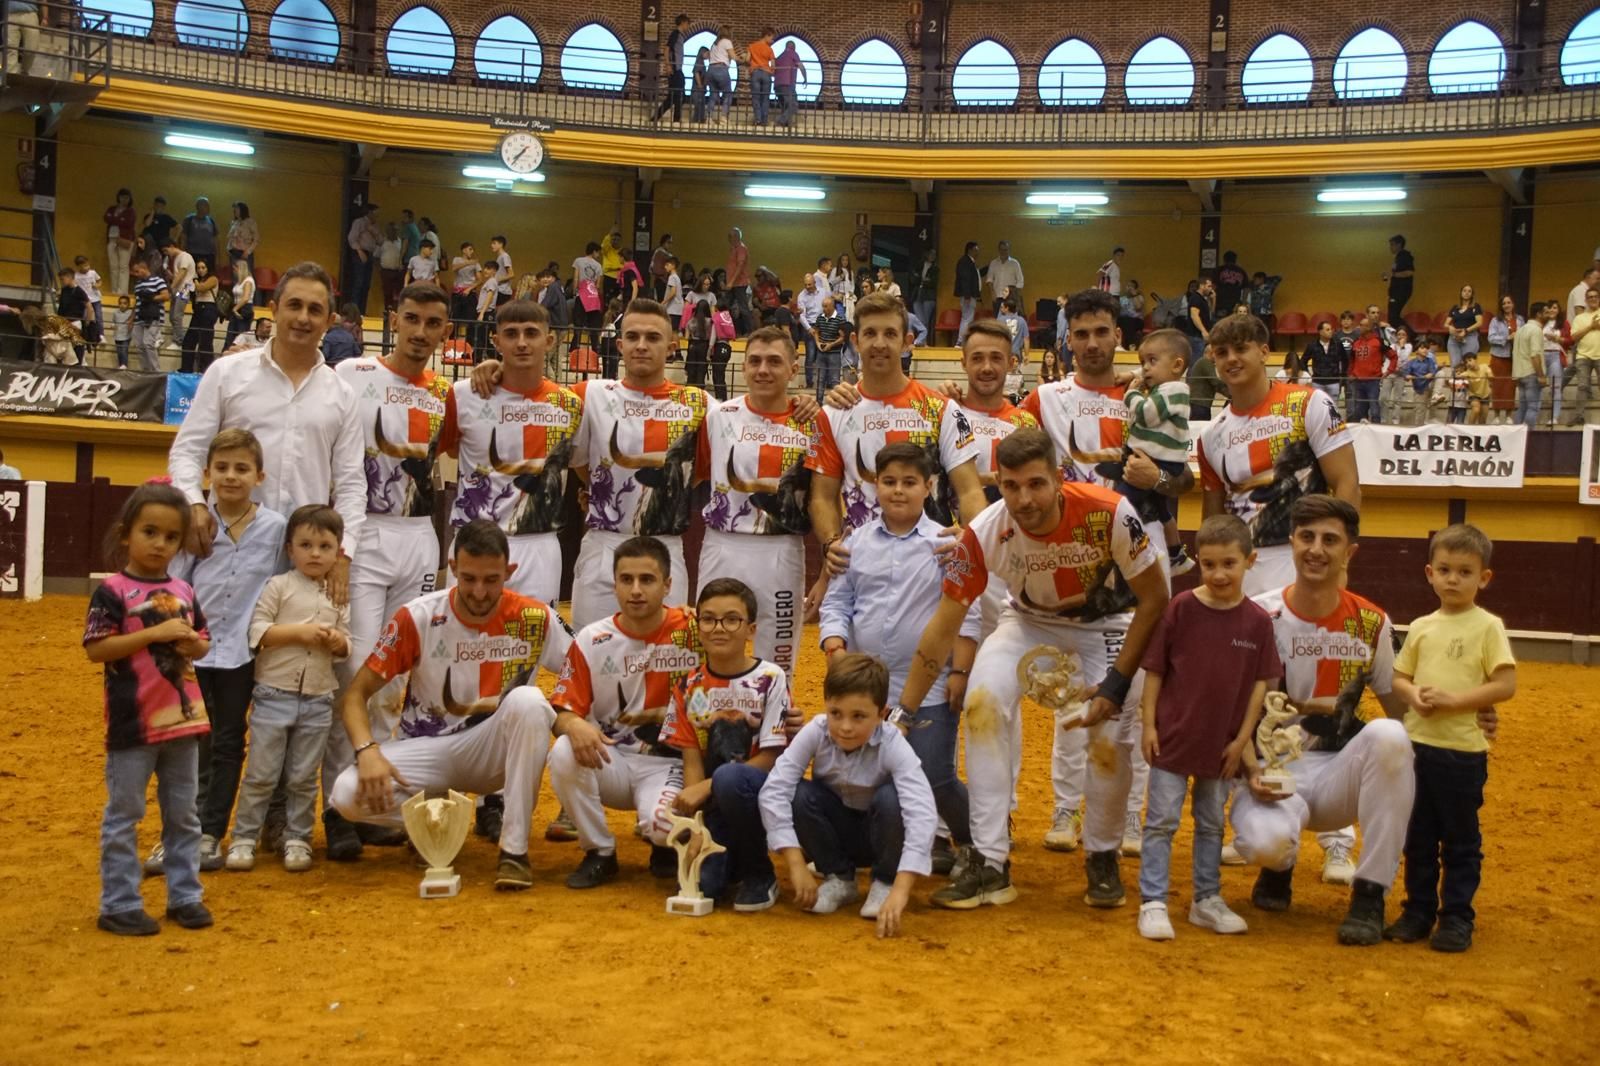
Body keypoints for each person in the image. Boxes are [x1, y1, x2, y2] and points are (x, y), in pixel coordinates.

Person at [898, 428, 1168, 908]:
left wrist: (1117, 682)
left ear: (1060, 478)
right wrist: (904, 711)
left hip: (1107, 622)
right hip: (1027, 621)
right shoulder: (984, 532)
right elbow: (944, 626)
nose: (1024, 499)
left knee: (1107, 735)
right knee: (982, 702)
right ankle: (989, 860)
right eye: (1011, 486)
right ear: (997, 483)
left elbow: (1155, 599)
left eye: (1036, 484)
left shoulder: (1111, 513)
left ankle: (1102, 853)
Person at [328, 519, 568, 891]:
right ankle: (434, 819)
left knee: (531, 701)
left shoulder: (534, 618)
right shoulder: (418, 616)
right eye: (468, 578)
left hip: (492, 750)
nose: (478, 591)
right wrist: (367, 750)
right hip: (427, 748)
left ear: (509, 572)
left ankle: (514, 851)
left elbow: (581, 677)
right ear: (453, 569)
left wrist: (577, 723)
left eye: (491, 579)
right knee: (345, 795)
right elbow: (356, 695)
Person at [1237, 496, 1417, 946]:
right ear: (1292, 541)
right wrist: (1250, 769)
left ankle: (1370, 893)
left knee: (1391, 736)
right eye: (1307, 537)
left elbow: (1401, 706)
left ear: (1349, 552)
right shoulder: (1258, 615)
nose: (1316, 549)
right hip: (1271, 772)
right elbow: (1227, 704)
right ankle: (1277, 869)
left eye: (1330, 540)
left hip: (1339, 773)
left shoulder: (1372, 623)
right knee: (1265, 844)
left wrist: (1463, 718)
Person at [820, 442, 980, 876]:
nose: (898, 491)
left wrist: (960, 671)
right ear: (874, 485)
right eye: (889, 482)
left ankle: (976, 844)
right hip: (864, 690)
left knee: (936, 777)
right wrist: (836, 649)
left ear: (929, 487)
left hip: (927, 684)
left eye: (910, 483)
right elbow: (837, 604)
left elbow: (969, 611)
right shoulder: (855, 543)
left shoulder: (946, 543)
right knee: (868, 775)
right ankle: (882, 847)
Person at [168, 262, 365, 613]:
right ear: (273, 310)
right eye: (294, 305)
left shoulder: (343, 395)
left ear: (329, 321)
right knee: (215, 660)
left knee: (288, 662)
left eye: (315, 309)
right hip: (227, 547)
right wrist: (194, 504)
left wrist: (343, 552)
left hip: (302, 558)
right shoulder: (226, 374)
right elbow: (188, 451)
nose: (303, 317)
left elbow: (351, 485)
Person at [1135, 515, 1280, 941]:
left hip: (1222, 746)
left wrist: (1241, 740)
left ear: (1249, 562)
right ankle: (1154, 900)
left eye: (1229, 564)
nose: (1219, 574)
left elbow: (1260, 685)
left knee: (1212, 822)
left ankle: (1206, 899)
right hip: (1173, 738)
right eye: (1210, 564)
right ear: (1198, 561)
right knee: (1161, 820)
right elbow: (1156, 671)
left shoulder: (1257, 621)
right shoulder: (1181, 608)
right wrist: (1148, 725)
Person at [83, 482, 214, 936]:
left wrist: (191, 643)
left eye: (171, 537)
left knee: (184, 814)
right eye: (150, 532)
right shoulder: (113, 591)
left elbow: (202, 644)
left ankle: (185, 896)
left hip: (183, 721)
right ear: (126, 534)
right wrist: (152, 635)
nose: (160, 544)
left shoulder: (183, 589)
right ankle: (118, 902)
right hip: (132, 724)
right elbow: (97, 650)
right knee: (125, 814)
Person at [805, 292, 987, 614]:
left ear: (906, 342)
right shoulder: (832, 413)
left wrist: (970, 538)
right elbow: (822, 496)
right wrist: (832, 545)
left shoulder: (942, 408)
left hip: (933, 563)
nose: (879, 343)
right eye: (870, 333)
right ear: (854, 341)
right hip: (861, 566)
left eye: (890, 334)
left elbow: (970, 490)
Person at [1386, 524, 1517, 954]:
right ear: (1429, 573)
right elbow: (1399, 677)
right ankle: (1418, 911)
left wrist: (1456, 700)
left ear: (1484, 578)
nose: (1453, 579)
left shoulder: (1488, 627)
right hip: (1417, 747)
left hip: (1463, 753)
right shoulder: (1422, 626)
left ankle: (1457, 917)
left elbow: (1505, 683)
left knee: (1461, 841)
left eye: (1464, 572)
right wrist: (1414, 697)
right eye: (1445, 570)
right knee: (1418, 836)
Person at [547, 536, 702, 888]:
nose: (635, 590)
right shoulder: (591, 639)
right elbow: (561, 709)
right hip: (612, 760)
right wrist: (573, 724)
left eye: (647, 580)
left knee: (667, 830)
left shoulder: (695, 631)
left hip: (669, 765)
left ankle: (659, 841)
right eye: (625, 580)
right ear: (614, 583)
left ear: (668, 585)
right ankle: (599, 851)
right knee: (563, 751)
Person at [170, 429, 286, 873]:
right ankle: (186, 826)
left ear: (259, 476)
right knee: (192, 737)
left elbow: (278, 583)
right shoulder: (197, 522)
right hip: (195, 649)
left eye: (241, 469)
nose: (231, 477)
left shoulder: (275, 527)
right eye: (222, 468)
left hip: (241, 650)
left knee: (227, 739)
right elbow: (180, 582)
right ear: (206, 474)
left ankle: (210, 832)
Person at [758, 653, 936, 936]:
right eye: (835, 713)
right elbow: (775, 789)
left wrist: (901, 889)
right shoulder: (815, 731)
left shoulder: (892, 743)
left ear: (882, 714)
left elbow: (922, 810)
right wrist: (796, 863)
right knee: (798, 794)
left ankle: (884, 882)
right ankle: (839, 878)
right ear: (826, 706)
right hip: (835, 833)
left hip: (880, 836)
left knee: (893, 799)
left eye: (859, 716)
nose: (845, 727)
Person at [222, 505, 350, 874]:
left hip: (318, 700)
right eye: (305, 545)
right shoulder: (278, 586)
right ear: (289, 549)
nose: (314, 553)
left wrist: (337, 642)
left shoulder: (338, 596)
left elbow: (348, 643)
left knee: (303, 777)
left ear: (337, 552)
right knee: (261, 773)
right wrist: (300, 633)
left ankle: (298, 838)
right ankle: (244, 837)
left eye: (324, 546)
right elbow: (258, 632)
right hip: (273, 696)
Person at [1197, 312, 1359, 597]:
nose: (1231, 359)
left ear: (1264, 352)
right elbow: (1213, 520)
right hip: (1242, 567)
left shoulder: (1309, 402)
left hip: (1302, 559)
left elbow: (1347, 482)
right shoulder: (1211, 435)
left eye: (1241, 348)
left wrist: (1340, 564)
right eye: (1222, 353)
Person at [663, 578, 794, 911]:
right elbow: (692, 755)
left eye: (731, 619)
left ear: (750, 629)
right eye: (708, 619)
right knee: (706, 886)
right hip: (715, 802)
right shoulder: (689, 685)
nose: (719, 628)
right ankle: (729, 858)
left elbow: (769, 756)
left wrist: (708, 786)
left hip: (756, 791)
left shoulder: (771, 678)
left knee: (729, 779)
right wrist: (696, 827)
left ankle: (759, 872)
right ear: (699, 626)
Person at [440, 299, 582, 606]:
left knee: (531, 644)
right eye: (511, 333)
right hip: (474, 538)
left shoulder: (569, 404)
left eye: (531, 333)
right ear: (496, 341)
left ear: (550, 339)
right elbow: (450, 450)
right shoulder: (464, 395)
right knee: (465, 643)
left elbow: (582, 462)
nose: (521, 343)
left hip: (539, 543)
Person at [695, 326, 816, 678]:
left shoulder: (813, 422)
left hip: (782, 548)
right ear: (744, 367)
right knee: (712, 644)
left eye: (775, 361)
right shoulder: (718, 417)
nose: (763, 369)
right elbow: (697, 474)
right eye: (755, 361)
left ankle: (772, 731)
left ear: (794, 368)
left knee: (778, 655)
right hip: (723, 544)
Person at [1096, 329, 1194, 575]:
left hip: (1159, 463)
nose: (1145, 369)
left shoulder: (1174, 390)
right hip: (1155, 458)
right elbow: (1156, 368)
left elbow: (1146, 414)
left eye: (1151, 362)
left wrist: (1132, 393)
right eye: (1142, 363)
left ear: (1177, 365)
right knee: (1163, 511)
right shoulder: (1167, 382)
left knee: (1122, 502)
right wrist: (1133, 375)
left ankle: (1113, 546)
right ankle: (1176, 554)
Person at [1346, 312, 1395, 424]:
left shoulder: (1378, 342)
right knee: (1359, 409)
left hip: (1373, 381)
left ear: (1369, 327)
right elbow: (1352, 360)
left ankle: (1377, 429)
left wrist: (1389, 371)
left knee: (1374, 408)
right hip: (1358, 381)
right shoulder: (1356, 343)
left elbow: (1393, 356)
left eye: (1362, 325)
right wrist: (1351, 373)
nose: (1359, 327)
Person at [179, 259, 218, 375]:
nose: (200, 270)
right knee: (188, 341)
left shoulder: (213, 279)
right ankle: (186, 369)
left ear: (208, 268)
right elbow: (183, 293)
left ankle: (205, 370)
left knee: (205, 342)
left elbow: (202, 288)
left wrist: (194, 280)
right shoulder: (195, 282)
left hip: (208, 309)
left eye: (203, 267)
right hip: (198, 310)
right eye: (198, 268)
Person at [129, 260, 169, 373]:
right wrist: (131, 318)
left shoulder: (158, 281)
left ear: (144, 268)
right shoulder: (138, 284)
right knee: (139, 345)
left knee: (148, 343)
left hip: (153, 316)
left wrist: (151, 297)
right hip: (139, 316)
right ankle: (145, 370)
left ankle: (156, 371)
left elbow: (166, 296)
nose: (136, 274)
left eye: (137, 271)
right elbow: (136, 302)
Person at [1486, 295, 1521, 424]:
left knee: (1510, 387)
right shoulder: (1495, 321)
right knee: (1498, 386)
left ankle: (1509, 415)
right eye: (1504, 303)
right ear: (1501, 306)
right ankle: (1496, 415)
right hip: (1499, 357)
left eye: (1509, 302)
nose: (1507, 305)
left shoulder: (1520, 319)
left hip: (1514, 358)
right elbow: (1491, 338)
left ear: (1513, 304)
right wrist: (1507, 338)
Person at [343, 202, 383, 314]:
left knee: (366, 284)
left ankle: (362, 312)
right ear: (370, 213)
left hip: (371, 253)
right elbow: (352, 238)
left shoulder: (375, 226)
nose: (377, 216)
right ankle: (354, 312)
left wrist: (373, 231)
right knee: (358, 283)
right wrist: (360, 251)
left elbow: (381, 241)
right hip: (359, 252)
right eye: (376, 213)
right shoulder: (359, 222)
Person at [1512, 302, 1547, 428]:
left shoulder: (1520, 330)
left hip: (1520, 374)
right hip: (1531, 373)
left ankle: (1516, 438)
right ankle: (1530, 438)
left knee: (1522, 408)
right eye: (1546, 312)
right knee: (1532, 408)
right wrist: (1541, 375)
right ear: (1539, 314)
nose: (1548, 315)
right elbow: (1535, 355)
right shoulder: (1536, 330)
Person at [1569, 284, 1600, 426]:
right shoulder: (1579, 318)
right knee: (1582, 387)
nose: (1593, 299)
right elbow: (1574, 337)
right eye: (1590, 297)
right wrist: (1590, 327)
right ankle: (1578, 416)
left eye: (1595, 297)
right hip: (1583, 356)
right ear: (1586, 300)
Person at [811, 294, 849, 400]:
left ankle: (836, 402)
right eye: (823, 306)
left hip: (834, 352)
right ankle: (819, 402)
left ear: (832, 306)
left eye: (826, 306)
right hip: (821, 351)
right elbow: (816, 331)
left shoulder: (840, 319)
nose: (824, 309)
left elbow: (842, 337)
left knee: (834, 379)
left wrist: (831, 345)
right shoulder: (820, 318)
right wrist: (818, 343)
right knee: (820, 378)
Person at [652, 14, 689, 123]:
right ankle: (676, 120)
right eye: (687, 24)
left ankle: (656, 118)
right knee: (678, 95)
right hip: (675, 69)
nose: (688, 26)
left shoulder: (680, 36)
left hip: (678, 69)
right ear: (682, 23)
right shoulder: (675, 34)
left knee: (673, 97)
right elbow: (667, 49)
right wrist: (668, 65)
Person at [1302, 320, 1348, 406]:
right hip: (1317, 382)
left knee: (1334, 408)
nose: (1331, 331)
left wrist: (1342, 375)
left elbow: (1345, 360)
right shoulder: (1312, 345)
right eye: (1327, 329)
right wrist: (1309, 375)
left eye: (1331, 329)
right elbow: (1303, 361)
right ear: (1320, 332)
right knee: (1318, 407)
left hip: (1334, 381)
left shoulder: (1338, 344)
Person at [572, 241, 605, 352]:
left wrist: (574, 291)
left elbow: (576, 278)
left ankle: (574, 348)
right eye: (598, 253)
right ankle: (596, 348)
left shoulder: (578, 261)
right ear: (594, 251)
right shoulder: (599, 266)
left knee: (578, 323)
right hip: (593, 296)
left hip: (581, 294)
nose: (598, 255)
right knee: (593, 324)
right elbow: (598, 285)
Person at [163, 237, 196, 345]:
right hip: (178, 290)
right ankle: (179, 336)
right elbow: (177, 276)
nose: (166, 254)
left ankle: (179, 340)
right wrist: (169, 274)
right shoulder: (176, 259)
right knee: (172, 315)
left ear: (172, 246)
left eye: (166, 251)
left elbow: (182, 274)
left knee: (177, 315)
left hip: (185, 290)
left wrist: (171, 287)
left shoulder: (185, 256)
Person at [103, 188, 136, 297]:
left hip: (124, 240)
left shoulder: (131, 211)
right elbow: (106, 218)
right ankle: (114, 290)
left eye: (126, 197)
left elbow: (128, 222)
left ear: (129, 199)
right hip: (112, 239)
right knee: (113, 266)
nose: (124, 199)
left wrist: (114, 219)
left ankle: (122, 292)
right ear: (118, 197)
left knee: (123, 266)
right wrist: (119, 219)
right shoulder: (112, 208)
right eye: (122, 197)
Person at [1445, 285, 1483, 370]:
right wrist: (1450, 327)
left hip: (1470, 337)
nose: (1466, 293)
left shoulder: (1475, 307)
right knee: (1455, 365)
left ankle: (1468, 383)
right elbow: (1446, 324)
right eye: (1464, 290)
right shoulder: (1455, 307)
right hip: (1454, 338)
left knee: (1468, 364)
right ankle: (1456, 383)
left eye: (1469, 291)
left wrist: (1466, 331)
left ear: (1472, 294)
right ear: (1461, 293)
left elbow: (1479, 323)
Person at [1542, 302, 1568, 426]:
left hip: (1555, 355)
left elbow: (1570, 340)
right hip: (1541, 356)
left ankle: (1554, 416)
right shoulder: (1541, 322)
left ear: (1559, 310)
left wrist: (1557, 339)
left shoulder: (1563, 323)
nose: (1552, 310)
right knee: (1538, 385)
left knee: (1556, 388)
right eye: (1550, 307)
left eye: (1555, 307)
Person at [180, 198, 218, 275]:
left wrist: (217, 257)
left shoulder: (211, 221)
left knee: (208, 277)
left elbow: (215, 239)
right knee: (193, 276)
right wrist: (182, 254)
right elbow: (183, 237)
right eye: (206, 206)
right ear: (199, 207)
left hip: (209, 254)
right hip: (193, 254)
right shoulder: (189, 219)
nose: (208, 208)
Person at [1188, 342, 1225, 422]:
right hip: (1200, 404)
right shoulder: (1205, 362)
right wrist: (1231, 391)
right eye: (1218, 353)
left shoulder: (1202, 362)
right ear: (1212, 353)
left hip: (1199, 404)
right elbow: (1215, 382)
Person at [985, 241, 1024, 317]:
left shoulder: (1015, 263)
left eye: (1005, 250)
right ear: (998, 250)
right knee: (998, 321)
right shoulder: (993, 263)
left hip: (1010, 299)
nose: (1003, 252)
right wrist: (992, 293)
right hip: (997, 297)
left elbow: (1020, 281)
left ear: (1009, 250)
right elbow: (989, 279)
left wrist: (1014, 294)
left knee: (1010, 321)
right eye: (1002, 249)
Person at [773, 39, 807, 126]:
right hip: (787, 84)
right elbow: (801, 66)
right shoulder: (793, 53)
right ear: (793, 47)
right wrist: (805, 78)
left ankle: (786, 124)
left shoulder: (779, 57)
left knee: (785, 107)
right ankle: (780, 120)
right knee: (793, 105)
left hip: (777, 86)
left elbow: (773, 72)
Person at [1181, 278, 1215, 364]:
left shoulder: (1203, 299)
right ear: (1202, 286)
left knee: (1200, 361)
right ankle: (1192, 378)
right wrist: (1203, 331)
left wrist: (1214, 299)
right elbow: (1194, 315)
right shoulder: (1196, 298)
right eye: (1209, 286)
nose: (1211, 289)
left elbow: (1211, 312)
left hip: (1200, 336)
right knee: (1196, 362)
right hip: (1196, 336)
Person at [726, 227, 752, 335]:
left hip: (739, 283)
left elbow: (740, 266)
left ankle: (749, 331)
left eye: (730, 236)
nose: (728, 239)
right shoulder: (734, 248)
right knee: (730, 307)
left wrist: (731, 281)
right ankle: (733, 331)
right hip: (733, 284)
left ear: (735, 237)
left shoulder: (741, 248)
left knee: (743, 308)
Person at [1384, 234, 1415, 324]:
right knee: (1393, 317)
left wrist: (1393, 274)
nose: (1390, 247)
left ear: (1399, 244)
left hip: (1401, 291)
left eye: (1392, 245)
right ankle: (1402, 335)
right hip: (1395, 291)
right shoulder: (1398, 257)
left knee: (1393, 317)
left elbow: (1410, 272)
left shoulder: (1405, 256)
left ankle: (1412, 335)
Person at [320, 303, 363, 367]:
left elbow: (325, 355)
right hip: (348, 367)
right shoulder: (350, 335)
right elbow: (358, 353)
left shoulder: (328, 337)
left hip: (332, 367)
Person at [747, 27, 775, 125]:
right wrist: (772, 71)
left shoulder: (752, 46)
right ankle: (764, 120)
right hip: (766, 73)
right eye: (771, 38)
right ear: (766, 35)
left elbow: (747, 59)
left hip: (755, 73)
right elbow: (773, 64)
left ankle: (757, 119)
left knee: (756, 97)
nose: (772, 40)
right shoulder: (769, 49)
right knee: (765, 97)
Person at [707, 27, 735, 123]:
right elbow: (733, 56)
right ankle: (723, 117)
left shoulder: (714, 44)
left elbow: (709, 56)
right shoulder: (727, 41)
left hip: (710, 70)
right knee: (728, 93)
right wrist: (743, 59)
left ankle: (709, 117)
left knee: (713, 94)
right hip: (721, 69)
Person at [955, 241, 981, 343]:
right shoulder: (965, 262)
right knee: (967, 318)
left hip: (970, 294)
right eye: (976, 250)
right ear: (970, 250)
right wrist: (967, 295)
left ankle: (962, 340)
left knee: (968, 317)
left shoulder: (970, 262)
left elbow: (974, 277)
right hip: (968, 295)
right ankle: (961, 341)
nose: (977, 253)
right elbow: (965, 279)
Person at [225, 201, 257, 279]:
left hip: (245, 253)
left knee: (247, 276)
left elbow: (256, 239)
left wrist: (248, 251)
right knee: (235, 276)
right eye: (234, 209)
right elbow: (231, 237)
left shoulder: (250, 222)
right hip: (234, 253)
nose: (234, 211)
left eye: (237, 209)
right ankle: (236, 291)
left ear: (242, 210)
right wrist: (228, 248)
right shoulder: (234, 223)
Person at [996, 298, 1027, 362]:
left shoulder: (999, 320)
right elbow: (1026, 339)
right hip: (1017, 354)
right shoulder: (1022, 320)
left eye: (1002, 307)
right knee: (1015, 371)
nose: (1001, 309)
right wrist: (1026, 355)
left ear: (1007, 308)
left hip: (1002, 353)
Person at [112, 294, 133, 368]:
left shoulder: (130, 313)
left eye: (124, 303)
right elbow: (113, 321)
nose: (122, 305)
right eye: (120, 303)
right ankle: (120, 365)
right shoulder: (115, 313)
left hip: (126, 336)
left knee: (124, 351)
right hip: (117, 336)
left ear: (128, 304)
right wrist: (113, 325)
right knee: (119, 352)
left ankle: (124, 365)